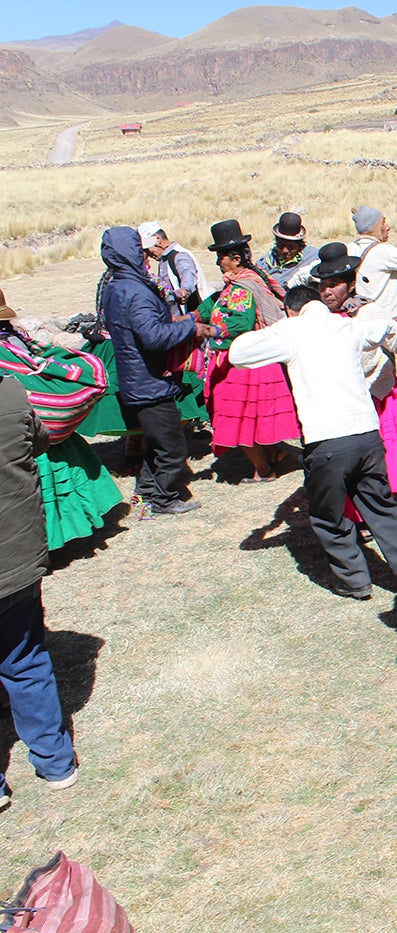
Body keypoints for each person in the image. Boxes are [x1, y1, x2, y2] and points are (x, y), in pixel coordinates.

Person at [228, 286, 397, 600]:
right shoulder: (348, 325)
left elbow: (238, 353)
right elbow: (387, 326)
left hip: (326, 441)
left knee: (328, 516)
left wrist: (281, 327)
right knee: (382, 507)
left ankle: (354, 581)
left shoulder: (291, 330)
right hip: (367, 435)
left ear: (291, 309)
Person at [0, 370, 81, 805]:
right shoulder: (11, 392)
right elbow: (41, 440)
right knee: (25, 660)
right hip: (15, 558)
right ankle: (55, 763)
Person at [98, 226, 212, 515]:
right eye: (139, 249)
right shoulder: (134, 290)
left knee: (157, 443)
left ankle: (147, 493)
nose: (145, 254)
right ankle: (162, 500)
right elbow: (153, 336)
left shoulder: (116, 286)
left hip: (137, 378)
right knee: (173, 449)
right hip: (149, 382)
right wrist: (190, 327)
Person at [312, 244, 397, 507]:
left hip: (377, 393)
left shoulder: (370, 312)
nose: (327, 291)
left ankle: (376, 506)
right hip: (340, 399)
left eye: (334, 285)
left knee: (377, 457)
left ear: (351, 284)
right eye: (323, 285)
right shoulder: (318, 317)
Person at [0, 302, 122, 549]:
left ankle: (47, 543)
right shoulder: (18, 338)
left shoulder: (9, 347)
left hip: (22, 432)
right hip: (41, 427)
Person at [192, 220, 300, 483]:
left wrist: (210, 332)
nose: (219, 263)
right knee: (251, 419)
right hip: (249, 362)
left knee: (236, 419)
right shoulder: (238, 283)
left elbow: (239, 323)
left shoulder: (243, 287)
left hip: (242, 365)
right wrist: (192, 317)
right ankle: (273, 453)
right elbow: (214, 304)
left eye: (221, 257)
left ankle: (264, 471)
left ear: (236, 258)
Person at [348, 206, 397, 323]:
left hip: (356, 321)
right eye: (383, 222)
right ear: (373, 228)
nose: (388, 227)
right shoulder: (383, 252)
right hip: (383, 324)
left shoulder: (348, 249)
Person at [140, 222, 209, 314]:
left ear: (157, 240)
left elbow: (188, 274)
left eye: (147, 248)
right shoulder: (164, 260)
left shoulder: (179, 256)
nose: (148, 253)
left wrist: (184, 291)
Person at [257, 212, 316, 292]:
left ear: (300, 245)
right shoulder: (265, 262)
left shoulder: (314, 258)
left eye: (291, 247)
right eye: (280, 245)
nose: (284, 251)